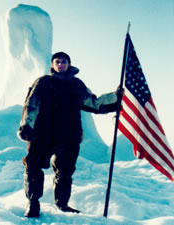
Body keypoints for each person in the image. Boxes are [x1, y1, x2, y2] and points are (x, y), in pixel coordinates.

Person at [17, 52, 122, 217]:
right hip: (43, 133)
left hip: (69, 135)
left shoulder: (76, 85)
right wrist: (26, 126)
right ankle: (33, 203)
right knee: (33, 166)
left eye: (64, 62)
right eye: (57, 62)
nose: (60, 64)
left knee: (65, 171)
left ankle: (63, 204)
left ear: (68, 64)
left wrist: (115, 97)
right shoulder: (43, 82)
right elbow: (32, 103)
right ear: (52, 65)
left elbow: (93, 103)